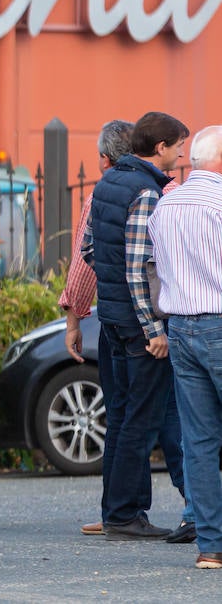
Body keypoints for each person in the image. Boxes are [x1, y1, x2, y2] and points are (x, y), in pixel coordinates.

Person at [59, 121, 191, 541]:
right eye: (179, 147)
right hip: (140, 326)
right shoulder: (149, 192)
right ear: (160, 147)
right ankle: (125, 515)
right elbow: (140, 269)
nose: (181, 156)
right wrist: (153, 328)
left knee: (122, 417)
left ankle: (119, 511)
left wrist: (87, 306)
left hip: (112, 321)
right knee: (143, 419)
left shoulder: (107, 184)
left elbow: (88, 249)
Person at [150, 125, 222, 569]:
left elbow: (154, 268)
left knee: (198, 440)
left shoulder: (166, 204)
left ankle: (210, 546)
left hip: (181, 326)